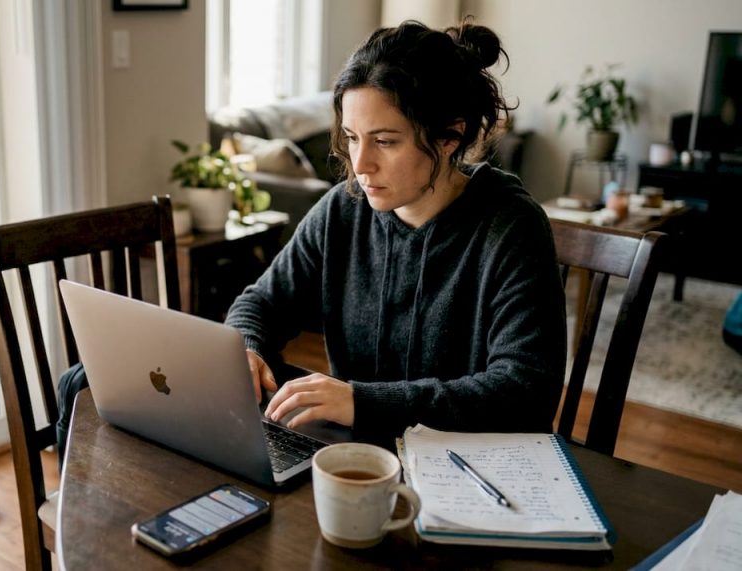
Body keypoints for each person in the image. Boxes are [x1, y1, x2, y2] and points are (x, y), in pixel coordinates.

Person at [225, 19, 567, 449]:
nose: (361, 163)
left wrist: (362, 402)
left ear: (449, 136)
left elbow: (524, 390)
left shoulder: (511, 226)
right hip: (360, 458)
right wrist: (248, 348)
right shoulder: (342, 209)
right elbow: (260, 303)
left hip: (472, 469)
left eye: (385, 141)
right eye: (352, 138)